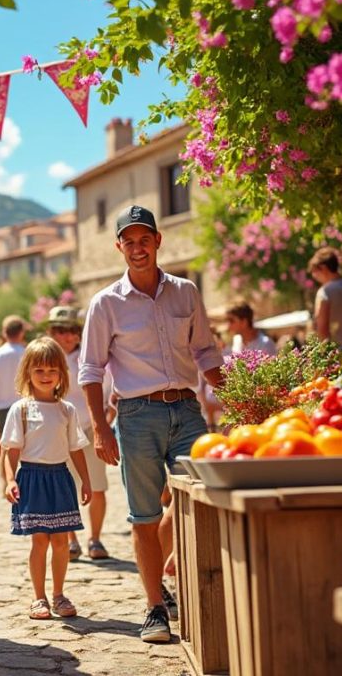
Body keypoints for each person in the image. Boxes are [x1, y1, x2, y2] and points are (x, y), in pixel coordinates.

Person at [79, 205, 224, 643]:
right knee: (144, 516)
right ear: (119, 246)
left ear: (158, 241)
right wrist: (102, 431)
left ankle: (164, 576)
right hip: (136, 416)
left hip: (186, 410)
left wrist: (244, 396)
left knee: (196, 501)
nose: (138, 248)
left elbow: (206, 354)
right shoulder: (105, 303)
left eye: (145, 239)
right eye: (130, 240)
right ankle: (155, 609)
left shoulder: (186, 292)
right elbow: (90, 370)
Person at [0, 337, 92, 620]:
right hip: (31, 479)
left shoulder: (67, 410)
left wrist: (86, 481)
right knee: (39, 541)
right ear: (27, 372)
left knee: (62, 542)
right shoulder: (21, 410)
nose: (46, 376)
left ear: (61, 374)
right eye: (39, 370)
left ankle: (59, 595)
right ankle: (38, 598)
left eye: (52, 370)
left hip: (60, 479)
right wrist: (10, 481)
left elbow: (76, 449)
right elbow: (10, 451)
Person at [46, 306, 113, 562]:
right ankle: (72, 540)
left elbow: (109, 390)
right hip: (58, 430)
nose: (68, 336)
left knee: (97, 486)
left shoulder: (91, 355)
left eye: (73, 331)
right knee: (66, 487)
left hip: (90, 427)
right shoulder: (45, 357)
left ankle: (95, 539)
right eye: (61, 331)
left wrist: (105, 424)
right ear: (52, 332)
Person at [0, 315, 28, 435]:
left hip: (1, 409)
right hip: (26, 408)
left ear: (4, 332)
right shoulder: (28, 354)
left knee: (4, 449)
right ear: (22, 333)